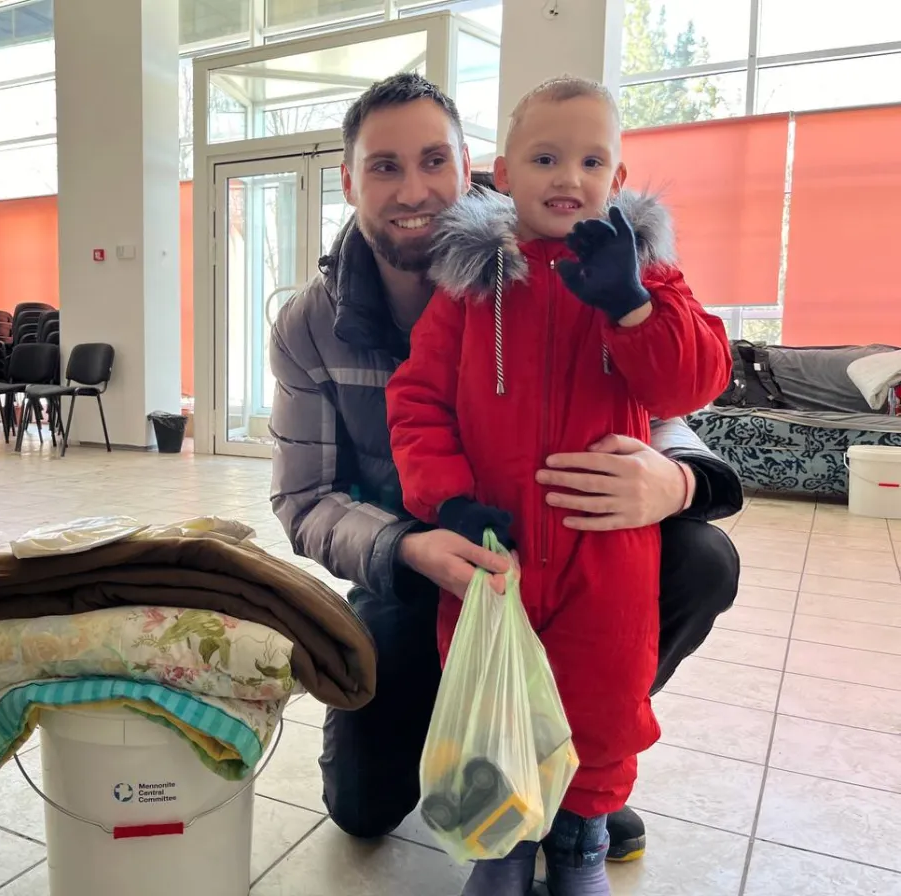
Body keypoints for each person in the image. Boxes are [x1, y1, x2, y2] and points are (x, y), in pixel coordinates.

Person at [268, 72, 742, 869]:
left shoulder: (603, 268)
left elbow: (671, 397)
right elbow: (304, 499)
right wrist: (412, 544)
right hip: (423, 559)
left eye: (432, 161)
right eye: (384, 166)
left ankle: (571, 788)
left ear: (470, 171)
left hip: (578, 553)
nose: (413, 189)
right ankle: (501, 798)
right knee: (363, 809)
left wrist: (682, 482)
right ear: (349, 180)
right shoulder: (317, 322)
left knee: (693, 566)